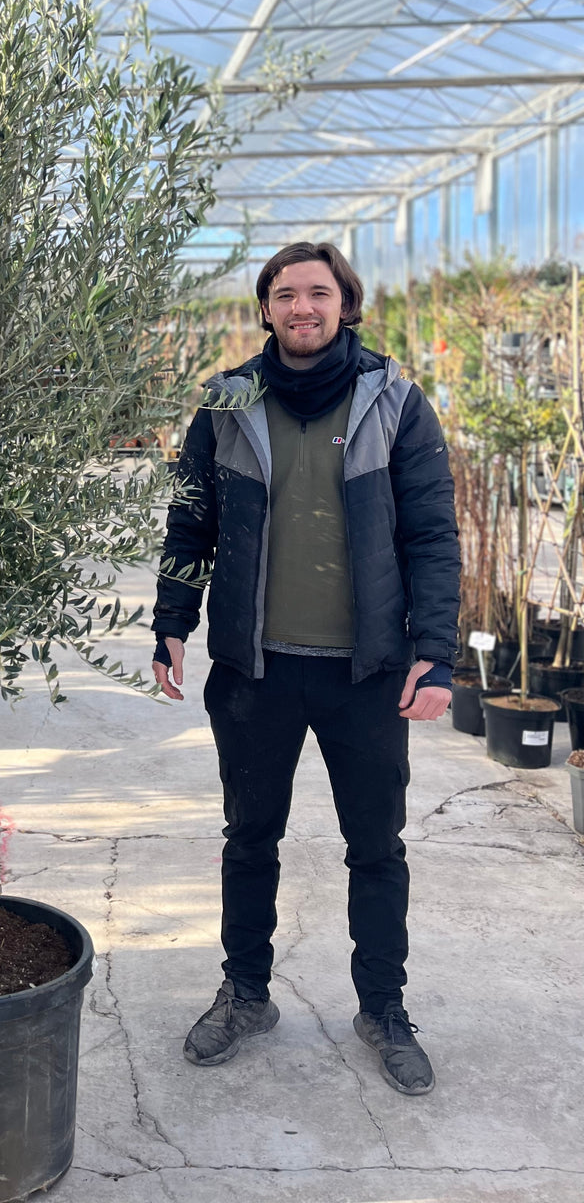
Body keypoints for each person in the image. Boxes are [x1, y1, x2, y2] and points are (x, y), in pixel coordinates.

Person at [152, 241, 460, 1096]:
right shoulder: (228, 402)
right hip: (257, 668)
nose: (302, 308)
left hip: (366, 674)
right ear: (265, 309)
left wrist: (436, 655)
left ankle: (383, 1006)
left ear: (345, 303)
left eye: (317, 293)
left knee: (376, 847)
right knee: (250, 838)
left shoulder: (395, 400)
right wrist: (171, 622)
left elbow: (433, 536)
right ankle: (246, 993)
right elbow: (191, 526)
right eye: (285, 294)